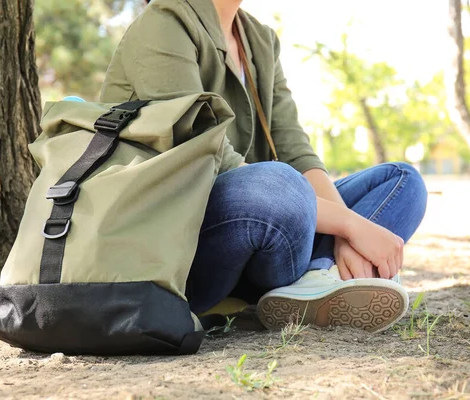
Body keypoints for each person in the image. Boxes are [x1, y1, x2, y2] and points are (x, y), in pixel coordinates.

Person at [100, 0, 428, 333]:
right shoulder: (164, 22)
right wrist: (350, 226)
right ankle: (320, 279)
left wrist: (345, 236)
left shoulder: (259, 39)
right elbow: (213, 160)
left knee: (403, 181)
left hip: (267, 223)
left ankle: (318, 276)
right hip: (188, 239)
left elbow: (296, 151)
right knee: (277, 186)